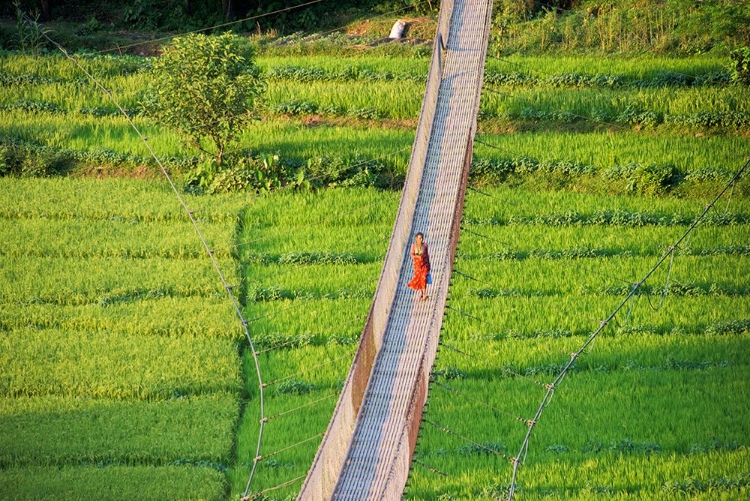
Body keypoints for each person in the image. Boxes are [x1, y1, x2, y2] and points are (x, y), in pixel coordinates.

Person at [407, 232, 430, 300]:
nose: (421, 239)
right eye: (419, 238)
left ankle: (424, 293)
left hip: (424, 265)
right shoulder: (413, 246)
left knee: (423, 278)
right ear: (416, 239)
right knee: (419, 279)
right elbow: (412, 255)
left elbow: (427, 255)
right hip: (417, 265)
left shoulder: (425, 245)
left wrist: (428, 265)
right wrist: (417, 257)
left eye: (422, 238)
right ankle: (422, 293)